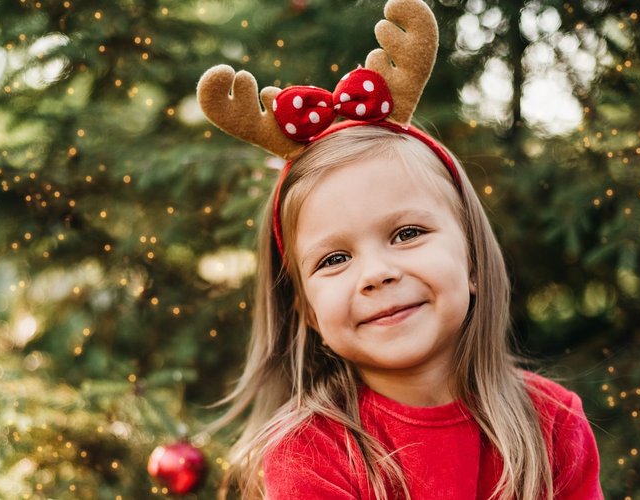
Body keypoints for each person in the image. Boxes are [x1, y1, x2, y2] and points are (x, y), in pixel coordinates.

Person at [196, 0, 603, 498]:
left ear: (472, 257)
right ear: (306, 310)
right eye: (334, 259)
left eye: (407, 234)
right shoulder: (308, 454)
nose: (377, 273)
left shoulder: (554, 425)